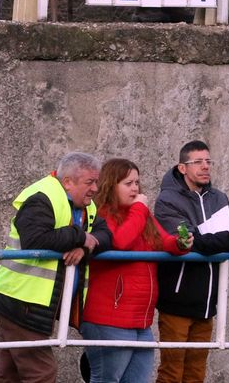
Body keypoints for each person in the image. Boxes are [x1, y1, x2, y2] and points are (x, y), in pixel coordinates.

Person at [0, 152, 112, 383]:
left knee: (7, 373)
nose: (95, 188)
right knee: (42, 373)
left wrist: (84, 248)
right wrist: (80, 236)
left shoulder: (87, 206)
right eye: (90, 182)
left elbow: (105, 235)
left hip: (26, 300)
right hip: (22, 300)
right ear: (68, 182)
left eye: (97, 181)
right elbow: (34, 239)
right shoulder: (41, 198)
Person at [153, 141, 229, 383]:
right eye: (198, 162)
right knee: (171, 373)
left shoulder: (219, 198)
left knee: (196, 373)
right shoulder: (167, 201)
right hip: (177, 301)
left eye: (208, 161)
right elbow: (192, 241)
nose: (205, 167)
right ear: (182, 168)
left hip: (207, 303)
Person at [80, 158, 191, 383]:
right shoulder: (101, 214)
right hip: (109, 319)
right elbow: (120, 241)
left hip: (141, 320)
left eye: (137, 183)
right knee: (106, 379)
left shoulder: (140, 215)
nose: (135, 188)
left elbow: (163, 240)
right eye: (128, 183)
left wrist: (180, 244)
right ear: (111, 185)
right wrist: (140, 209)